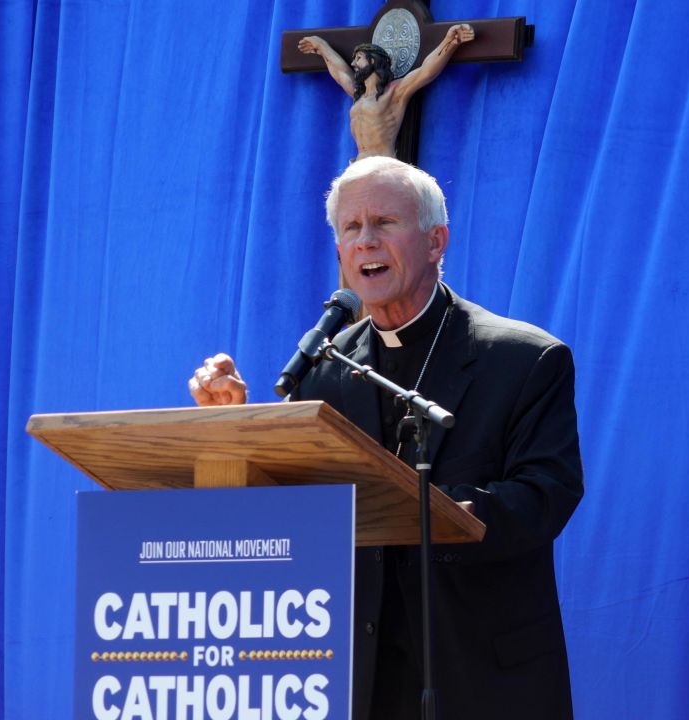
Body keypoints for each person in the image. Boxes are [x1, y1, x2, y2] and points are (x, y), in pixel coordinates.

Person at [188, 156, 583, 720]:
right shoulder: (322, 372)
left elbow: (547, 494)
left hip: (481, 675)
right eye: (350, 229)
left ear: (436, 241)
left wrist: (433, 513)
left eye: (384, 223)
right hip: (355, 676)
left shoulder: (523, 360)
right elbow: (293, 504)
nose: (364, 241)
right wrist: (232, 428)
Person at [298, 24, 476, 160]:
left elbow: (426, 71)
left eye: (358, 58)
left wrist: (450, 42)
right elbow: (340, 72)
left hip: (383, 166)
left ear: (373, 61)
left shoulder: (394, 92)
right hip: (356, 166)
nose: (353, 64)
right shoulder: (358, 94)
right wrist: (321, 47)